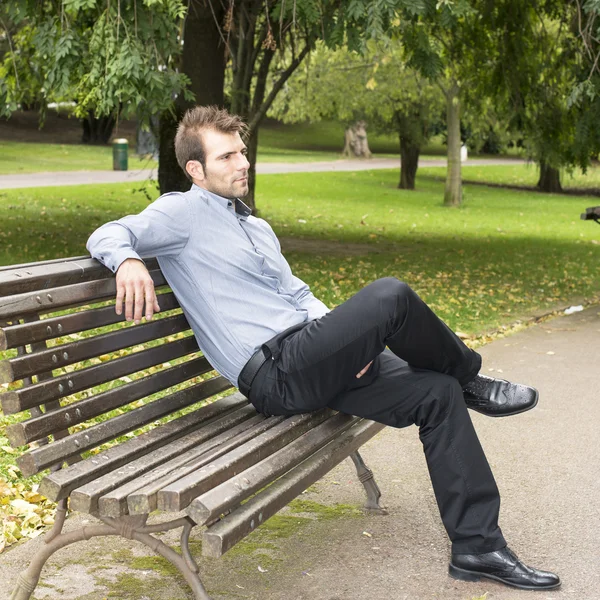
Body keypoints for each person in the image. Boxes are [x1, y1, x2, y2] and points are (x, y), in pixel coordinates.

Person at [87, 106, 560, 591]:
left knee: (436, 394)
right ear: (196, 170)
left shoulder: (256, 228)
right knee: (391, 294)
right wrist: (128, 261)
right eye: (227, 156)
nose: (243, 163)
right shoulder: (180, 213)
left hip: (311, 359)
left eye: (243, 152)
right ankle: (473, 381)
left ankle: (478, 548)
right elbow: (109, 232)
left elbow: (297, 295)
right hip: (275, 373)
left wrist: (351, 348)